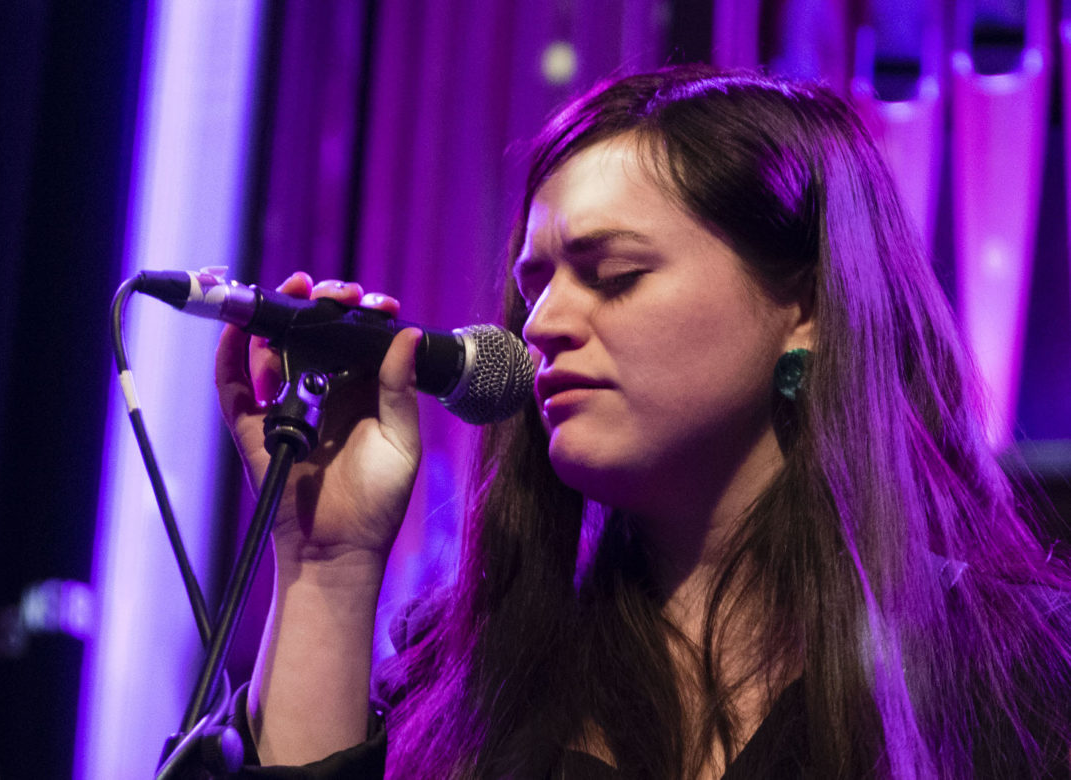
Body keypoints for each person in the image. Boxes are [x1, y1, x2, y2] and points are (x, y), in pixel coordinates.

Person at [214, 65, 1071, 778]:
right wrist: (328, 568)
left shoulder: (1014, 670)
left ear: (806, 307)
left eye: (614, 273)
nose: (541, 323)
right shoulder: (467, 669)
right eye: (536, 284)